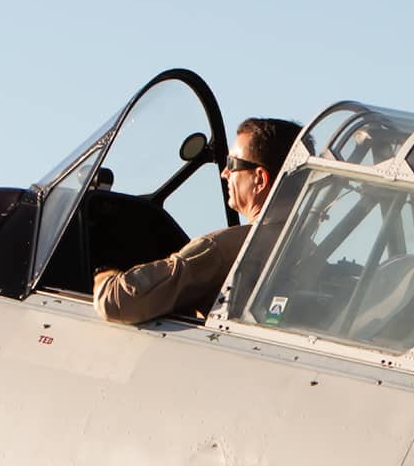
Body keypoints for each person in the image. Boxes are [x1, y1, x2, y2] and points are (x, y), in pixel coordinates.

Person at [94, 116, 302, 325]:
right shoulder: (306, 251)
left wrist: (103, 276)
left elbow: (119, 301)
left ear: (260, 179)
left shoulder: (222, 250)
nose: (224, 172)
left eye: (232, 163)